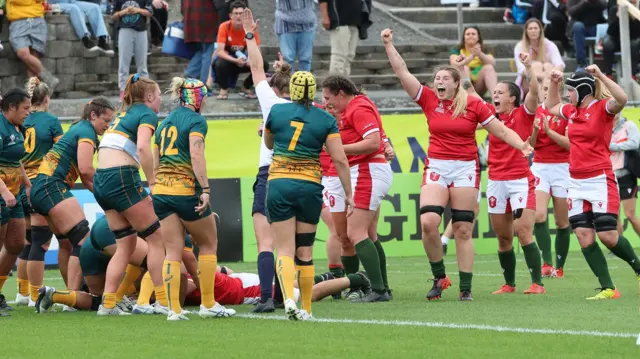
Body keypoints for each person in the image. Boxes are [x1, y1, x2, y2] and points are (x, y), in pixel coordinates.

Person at [383, 28, 533, 301]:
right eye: (436, 78)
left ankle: (466, 289)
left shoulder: (474, 104)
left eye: (444, 79)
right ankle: (440, 277)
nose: (438, 82)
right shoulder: (429, 98)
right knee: (428, 222)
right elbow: (402, 71)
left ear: (455, 84)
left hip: (465, 167)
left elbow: (499, 129)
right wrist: (389, 45)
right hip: (437, 166)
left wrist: (521, 144)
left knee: (463, 229)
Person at [264, 70, 353, 320]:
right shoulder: (325, 119)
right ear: (313, 91)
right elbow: (339, 159)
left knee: (283, 249)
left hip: (280, 183)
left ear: (291, 89)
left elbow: (269, 144)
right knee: (305, 252)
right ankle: (307, 309)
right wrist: (349, 194)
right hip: (309, 186)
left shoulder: (277, 112)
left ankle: (289, 300)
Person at [546, 66, 640, 299]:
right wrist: (553, 82)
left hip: (600, 178)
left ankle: (638, 269)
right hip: (575, 181)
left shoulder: (602, 109)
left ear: (583, 90)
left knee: (607, 235)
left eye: (570, 90)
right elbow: (550, 106)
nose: (568, 95)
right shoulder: (571, 111)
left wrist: (600, 76)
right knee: (583, 236)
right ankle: (609, 288)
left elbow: (622, 98)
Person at [152, 77, 236, 321]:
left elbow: (155, 157)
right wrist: (206, 188)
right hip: (184, 190)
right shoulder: (197, 121)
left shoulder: (165, 122)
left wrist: (159, 182)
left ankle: (173, 310)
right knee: (209, 244)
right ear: (197, 98)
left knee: (172, 252)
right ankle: (208, 304)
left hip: (162, 191)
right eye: (205, 96)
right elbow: (196, 154)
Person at [93, 74, 165, 315]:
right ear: (150, 96)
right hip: (121, 177)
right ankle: (164, 303)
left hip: (102, 181)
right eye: (159, 96)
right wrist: (152, 181)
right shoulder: (146, 113)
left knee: (126, 244)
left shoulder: (122, 115)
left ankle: (108, 303)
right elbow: (144, 147)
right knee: (157, 238)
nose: (160, 101)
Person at [30, 97, 114, 293]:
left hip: (42, 188)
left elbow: (85, 179)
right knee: (83, 240)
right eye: (106, 120)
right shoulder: (86, 132)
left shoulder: (80, 128)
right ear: (93, 115)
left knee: (66, 243)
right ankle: (74, 296)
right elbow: (86, 170)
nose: (108, 126)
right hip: (51, 186)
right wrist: (111, 186)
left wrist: (105, 197)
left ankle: (69, 293)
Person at [321, 75, 393, 303]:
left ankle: (380, 289)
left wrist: (339, 148)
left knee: (356, 233)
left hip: (365, 170)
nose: (326, 103)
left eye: (328, 97)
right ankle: (361, 287)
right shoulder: (344, 111)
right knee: (346, 236)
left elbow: (374, 143)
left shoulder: (358, 106)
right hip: (347, 173)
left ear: (341, 93)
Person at [241, 9, 290, 313]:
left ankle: (266, 298)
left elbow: (256, 67)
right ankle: (288, 297)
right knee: (291, 244)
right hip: (298, 176)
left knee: (266, 243)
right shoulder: (308, 108)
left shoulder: (270, 103)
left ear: (275, 87)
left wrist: (249, 34)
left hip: (269, 173)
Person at [487, 53, 546, 295]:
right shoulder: (490, 119)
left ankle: (537, 284)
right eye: (494, 93)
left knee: (523, 231)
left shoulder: (524, 113)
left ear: (512, 98)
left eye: (500, 93)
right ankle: (509, 284)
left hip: (520, 180)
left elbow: (533, 89)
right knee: (503, 238)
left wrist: (529, 66)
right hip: (495, 181)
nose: (495, 96)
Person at [14, 78, 65, 308]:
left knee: (26, 241)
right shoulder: (52, 121)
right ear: (46, 99)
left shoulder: (21, 120)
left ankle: (22, 293)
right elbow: (61, 153)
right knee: (41, 243)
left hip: (19, 185)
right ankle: (36, 295)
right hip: (39, 186)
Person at [35, 215, 148, 313]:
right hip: (112, 233)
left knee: (98, 300)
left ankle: (54, 295)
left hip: (91, 242)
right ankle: (140, 303)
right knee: (153, 262)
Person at [530, 75, 571, 278]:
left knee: (562, 222)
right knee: (539, 215)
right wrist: (537, 132)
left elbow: (569, 144)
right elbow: (532, 144)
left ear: (558, 89)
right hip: (540, 167)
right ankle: (546, 263)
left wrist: (549, 132)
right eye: (544, 88)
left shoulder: (565, 112)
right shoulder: (536, 111)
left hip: (563, 168)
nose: (546, 91)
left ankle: (560, 267)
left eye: (549, 88)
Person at [0, 89, 31, 313]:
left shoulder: (16, 128)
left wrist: (27, 184)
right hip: (3, 194)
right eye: (25, 108)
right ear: (12, 107)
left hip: (14, 193)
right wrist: (5, 192)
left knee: (16, 243)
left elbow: (16, 158)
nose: (28, 113)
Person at [212, 1, 268, 100]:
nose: (239, 16)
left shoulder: (251, 28)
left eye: (241, 14)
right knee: (219, 63)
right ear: (230, 15)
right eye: (236, 13)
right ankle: (224, 89)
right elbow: (220, 51)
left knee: (263, 64)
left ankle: (246, 87)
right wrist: (235, 60)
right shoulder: (224, 26)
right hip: (229, 60)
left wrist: (250, 59)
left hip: (244, 59)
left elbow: (257, 50)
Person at [6, 0, 59, 92]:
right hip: (18, 20)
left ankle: (33, 94)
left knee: (34, 58)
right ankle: (49, 79)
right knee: (22, 53)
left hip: (37, 19)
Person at [112, 0, 153, 100]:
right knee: (123, 62)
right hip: (124, 29)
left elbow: (150, 13)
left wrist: (137, 10)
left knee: (142, 63)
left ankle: (144, 90)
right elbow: (113, 16)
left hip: (141, 30)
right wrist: (124, 12)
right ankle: (123, 90)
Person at [514, 18, 565, 92]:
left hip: (548, 77)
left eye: (535, 28)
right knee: (536, 65)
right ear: (526, 31)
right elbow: (522, 70)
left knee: (548, 66)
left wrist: (550, 74)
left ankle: (542, 100)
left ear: (540, 30)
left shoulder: (549, 44)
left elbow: (559, 64)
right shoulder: (520, 46)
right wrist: (542, 76)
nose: (533, 31)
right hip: (527, 80)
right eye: (530, 28)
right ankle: (544, 100)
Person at [609, 115, 640, 236]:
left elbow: (635, 143)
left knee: (630, 215)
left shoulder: (629, 126)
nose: (614, 111)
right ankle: (620, 247)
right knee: (614, 215)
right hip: (609, 176)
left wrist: (613, 146)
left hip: (626, 175)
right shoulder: (602, 127)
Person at [47, 0, 114, 54]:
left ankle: (102, 40)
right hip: (54, 4)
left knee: (95, 7)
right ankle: (85, 38)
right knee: (74, 8)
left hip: (72, 1)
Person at [449, 26, 498, 97]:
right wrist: (472, 56)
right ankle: (467, 99)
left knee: (489, 67)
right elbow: (455, 64)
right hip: (464, 85)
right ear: (464, 37)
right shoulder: (457, 49)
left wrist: (480, 54)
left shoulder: (484, 49)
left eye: (473, 34)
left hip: (479, 85)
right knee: (464, 68)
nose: (470, 36)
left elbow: (492, 63)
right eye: (468, 34)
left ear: (478, 37)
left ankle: (496, 100)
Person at [319, 0, 362, 76]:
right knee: (339, 56)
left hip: (355, 22)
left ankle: (345, 84)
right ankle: (335, 85)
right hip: (339, 21)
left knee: (349, 57)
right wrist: (325, 16)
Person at [182, 0, 219, 83]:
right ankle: (204, 83)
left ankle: (189, 74)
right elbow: (219, 4)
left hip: (191, 22)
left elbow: (182, 7)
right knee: (208, 52)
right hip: (207, 21)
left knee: (202, 51)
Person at [275, 0, 316, 72]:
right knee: (287, 59)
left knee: (306, 59)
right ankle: (287, 82)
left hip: (307, 24)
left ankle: (305, 82)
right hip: (285, 25)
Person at [602, 0, 640, 78]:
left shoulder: (637, 12)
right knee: (607, 43)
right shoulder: (614, 10)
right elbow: (610, 31)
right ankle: (608, 73)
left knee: (635, 43)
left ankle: (632, 74)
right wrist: (618, 17)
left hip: (631, 39)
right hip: (615, 39)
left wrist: (633, 19)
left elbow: (637, 33)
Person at [567, 0, 607, 71]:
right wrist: (584, 2)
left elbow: (604, 5)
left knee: (609, 25)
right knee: (577, 27)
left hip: (596, 26)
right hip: (581, 28)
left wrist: (594, 1)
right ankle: (581, 63)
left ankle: (609, 64)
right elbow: (571, 12)